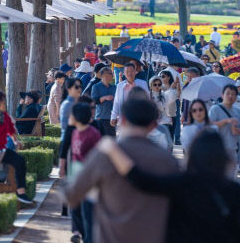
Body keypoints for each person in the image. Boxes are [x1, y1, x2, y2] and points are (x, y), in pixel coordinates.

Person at [97, 130, 240, 243]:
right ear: (222, 157)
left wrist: (113, 150)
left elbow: (141, 180)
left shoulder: (181, 183)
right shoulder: (234, 190)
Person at [62, 97, 180, 243]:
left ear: (122, 120)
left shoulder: (106, 154)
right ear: (153, 124)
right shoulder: (168, 161)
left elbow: (71, 195)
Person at [68, 102, 103, 243]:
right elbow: (75, 157)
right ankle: (82, 234)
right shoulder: (75, 132)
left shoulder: (93, 134)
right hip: (77, 178)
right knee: (75, 209)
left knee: (89, 215)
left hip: (90, 180)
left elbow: (99, 158)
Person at [209, 84, 240, 175]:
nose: (230, 96)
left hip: (233, 149)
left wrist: (237, 130)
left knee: (230, 177)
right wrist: (226, 121)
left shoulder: (238, 111)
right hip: (217, 148)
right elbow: (209, 126)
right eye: (228, 93)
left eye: (233, 94)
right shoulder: (215, 109)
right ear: (222, 95)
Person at [110, 62, 148, 127]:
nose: (130, 74)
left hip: (139, 116)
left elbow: (147, 100)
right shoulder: (120, 86)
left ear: (135, 72)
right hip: (125, 117)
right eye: (127, 72)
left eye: (132, 71)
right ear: (124, 73)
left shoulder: (143, 84)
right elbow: (116, 102)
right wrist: (113, 117)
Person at [91, 66, 117, 137]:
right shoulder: (96, 87)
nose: (112, 75)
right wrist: (104, 98)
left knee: (112, 141)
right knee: (101, 142)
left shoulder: (114, 87)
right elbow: (93, 101)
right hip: (101, 118)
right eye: (110, 73)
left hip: (112, 118)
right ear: (103, 75)